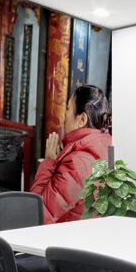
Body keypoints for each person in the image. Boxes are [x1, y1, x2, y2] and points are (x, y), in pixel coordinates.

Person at [30, 84, 112, 223]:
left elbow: (37, 213)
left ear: (81, 120)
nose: (64, 115)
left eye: (68, 108)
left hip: (62, 240)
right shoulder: (104, 147)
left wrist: (49, 162)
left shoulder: (78, 162)